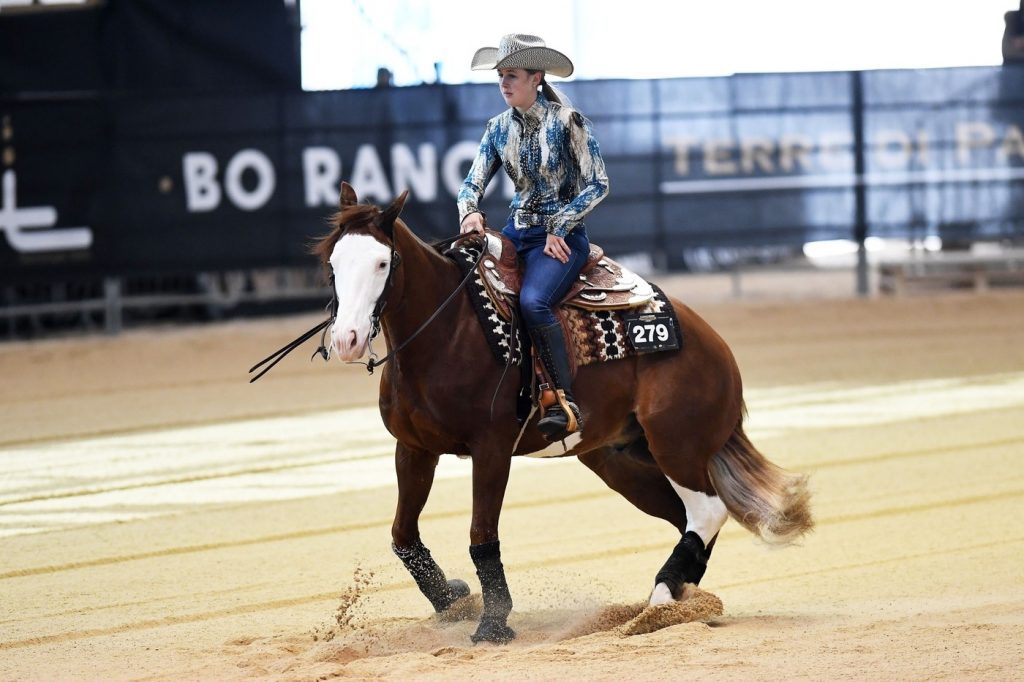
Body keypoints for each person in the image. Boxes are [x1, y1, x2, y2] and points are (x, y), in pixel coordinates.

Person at [457, 34, 610, 442]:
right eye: (501, 76)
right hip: (516, 233)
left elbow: (597, 184)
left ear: (536, 78)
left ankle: (562, 398)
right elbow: (471, 183)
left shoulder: (568, 122)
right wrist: (469, 211)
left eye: (512, 76)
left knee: (533, 301)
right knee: (470, 289)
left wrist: (560, 226)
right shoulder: (497, 128)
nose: (504, 84)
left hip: (562, 238)